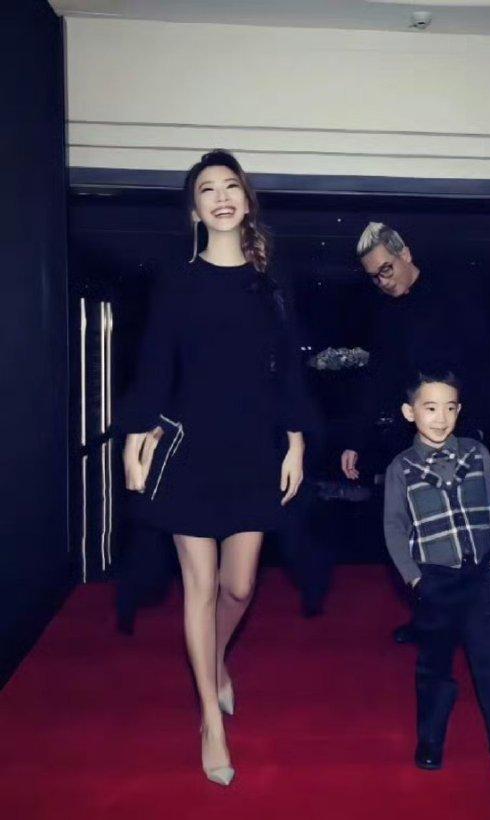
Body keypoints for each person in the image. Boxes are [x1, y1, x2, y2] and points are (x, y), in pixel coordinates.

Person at [121, 150, 306, 786]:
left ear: (247, 202)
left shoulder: (270, 285)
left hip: (253, 451)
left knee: (241, 587)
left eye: (231, 186)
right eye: (208, 189)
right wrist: (135, 438)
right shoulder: (178, 282)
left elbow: (288, 370)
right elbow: (155, 364)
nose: (222, 196)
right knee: (198, 588)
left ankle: (215, 658)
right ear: (194, 210)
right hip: (190, 453)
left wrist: (297, 441)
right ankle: (210, 718)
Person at [341, 222, 490, 643]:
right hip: (412, 440)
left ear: (405, 254)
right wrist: (355, 439)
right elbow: (377, 380)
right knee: (416, 533)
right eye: (374, 276)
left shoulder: (454, 296)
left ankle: (471, 620)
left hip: (461, 435)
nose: (382, 281)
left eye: (386, 269)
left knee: (466, 534)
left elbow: (484, 365)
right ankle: (431, 619)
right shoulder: (386, 314)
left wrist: (481, 430)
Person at [383, 371, 490, 783]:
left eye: (450, 408)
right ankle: (430, 740)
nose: (441, 418)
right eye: (430, 408)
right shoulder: (401, 468)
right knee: (434, 668)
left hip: (482, 578)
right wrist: (415, 579)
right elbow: (394, 527)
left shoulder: (477, 455)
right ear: (410, 413)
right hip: (434, 582)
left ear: (460, 410)